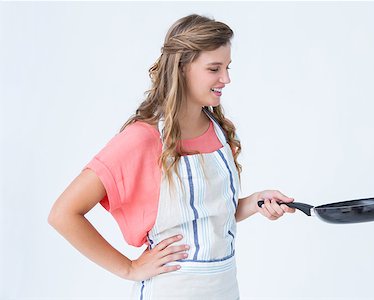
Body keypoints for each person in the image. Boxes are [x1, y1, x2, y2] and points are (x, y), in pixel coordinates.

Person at [48, 14, 296, 300]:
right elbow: (62, 214)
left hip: (225, 289)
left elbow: (207, 218)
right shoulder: (142, 139)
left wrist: (255, 202)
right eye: (214, 68)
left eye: (227, 67)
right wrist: (129, 268)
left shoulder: (219, 131)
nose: (226, 79)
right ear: (182, 69)